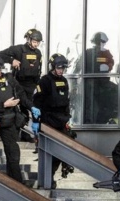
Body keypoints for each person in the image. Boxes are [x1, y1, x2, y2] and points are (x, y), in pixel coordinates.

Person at [0, 55, 40, 183]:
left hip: (9, 120)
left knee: (13, 153)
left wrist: (31, 107)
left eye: (0, 68)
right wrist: (4, 105)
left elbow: (21, 95)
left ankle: (16, 183)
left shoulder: (9, 78)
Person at [32, 53, 76, 190]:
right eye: (59, 67)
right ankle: (47, 179)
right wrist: (36, 122)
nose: (61, 70)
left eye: (63, 68)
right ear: (53, 67)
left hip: (61, 120)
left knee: (67, 144)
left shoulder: (64, 81)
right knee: (50, 152)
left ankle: (62, 167)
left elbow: (66, 101)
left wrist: (68, 117)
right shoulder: (44, 81)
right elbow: (37, 102)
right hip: (48, 120)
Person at [0, 28, 43, 142]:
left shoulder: (38, 53)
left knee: (32, 109)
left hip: (32, 85)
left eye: (38, 42)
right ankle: (19, 135)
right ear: (28, 39)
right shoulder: (18, 49)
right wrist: (12, 60)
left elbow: (38, 69)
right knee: (23, 110)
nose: (36, 44)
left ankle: (28, 135)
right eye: (34, 41)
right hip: (19, 84)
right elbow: (0, 55)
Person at [80, 32, 118, 124]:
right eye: (99, 43)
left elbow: (111, 63)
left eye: (101, 43)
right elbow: (79, 66)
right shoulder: (87, 53)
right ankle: (89, 122)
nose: (99, 45)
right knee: (90, 107)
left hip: (103, 86)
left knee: (104, 106)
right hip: (89, 85)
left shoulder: (106, 54)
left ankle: (100, 122)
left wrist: (108, 67)